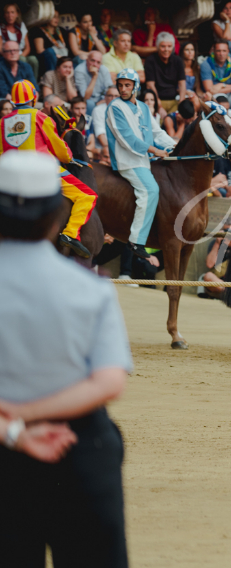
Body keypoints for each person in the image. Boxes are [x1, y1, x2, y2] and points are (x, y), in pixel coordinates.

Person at [0, 151, 134, 567]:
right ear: (56, 215)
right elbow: (110, 382)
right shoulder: (89, 288)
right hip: (77, 444)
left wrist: (13, 429)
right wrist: (24, 415)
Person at [0, 81, 96, 258]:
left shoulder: (3, 121)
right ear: (34, 97)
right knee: (88, 195)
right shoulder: (39, 117)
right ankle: (70, 234)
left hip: (10, 177)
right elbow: (58, 146)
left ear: (13, 101)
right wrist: (68, 157)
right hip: (42, 173)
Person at [106, 68, 175, 258]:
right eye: (120, 85)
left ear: (135, 86)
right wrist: (155, 150)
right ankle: (136, 241)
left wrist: (175, 146)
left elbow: (157, 132)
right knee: (150, 190)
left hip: (144, 161)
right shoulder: (114, 107)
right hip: (128, 161)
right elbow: (126, 139)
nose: (123, 89)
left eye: (127, 85)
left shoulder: (144, 107)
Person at [144, 33, 186, 113]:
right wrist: (159, 106)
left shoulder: (178, 61)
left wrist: (181, 103)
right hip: (157, 100)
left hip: (174, 100)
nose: (166, 49)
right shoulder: (150, 60)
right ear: (157, 47)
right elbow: (150, 85)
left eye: (169, 46)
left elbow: (182, 84)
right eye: (163, 46)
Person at [74, 50, 113, 117]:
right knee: (90, 103)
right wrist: (94, 76)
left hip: (101, 99)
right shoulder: (79, 70)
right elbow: (86, 97)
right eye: (92, 60)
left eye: (98, 62)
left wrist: (104, 100)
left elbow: (110, 90)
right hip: (86, 101)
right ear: (87, 60)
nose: (95, 64)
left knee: (113, 99)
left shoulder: (104, 70)